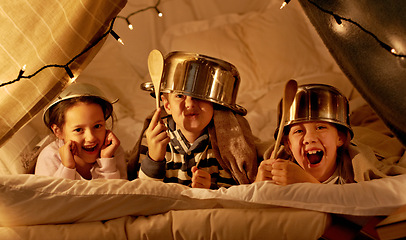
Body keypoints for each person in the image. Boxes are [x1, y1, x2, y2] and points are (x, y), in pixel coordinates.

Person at [127, 51, 258, 189]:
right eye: (180, 96)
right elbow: (144, 192)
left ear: (215, 103)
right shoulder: (154, 137)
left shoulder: (225, 142)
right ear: (167, 105)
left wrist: (209, 189)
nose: (190, 104)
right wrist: (154, 159)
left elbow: (235, 192)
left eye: (200, 96)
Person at [256, 83, 406, 185]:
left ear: (340, 138)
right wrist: (258, 182)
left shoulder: (359, 165)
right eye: (299, 131)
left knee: (381, 117)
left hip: (367, 137)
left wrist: (308, 182)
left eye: (320, 127)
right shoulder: (276, 157)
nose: (309, 138)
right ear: (288, 143)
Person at [35, 83, 127, 180]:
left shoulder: (113, 151)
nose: (91, 137)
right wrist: (67, 168)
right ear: (58, 131)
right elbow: (51, 195)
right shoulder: (50, 157)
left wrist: (107, 161)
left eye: (97, 126)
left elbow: (117, 193)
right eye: (78, 130)